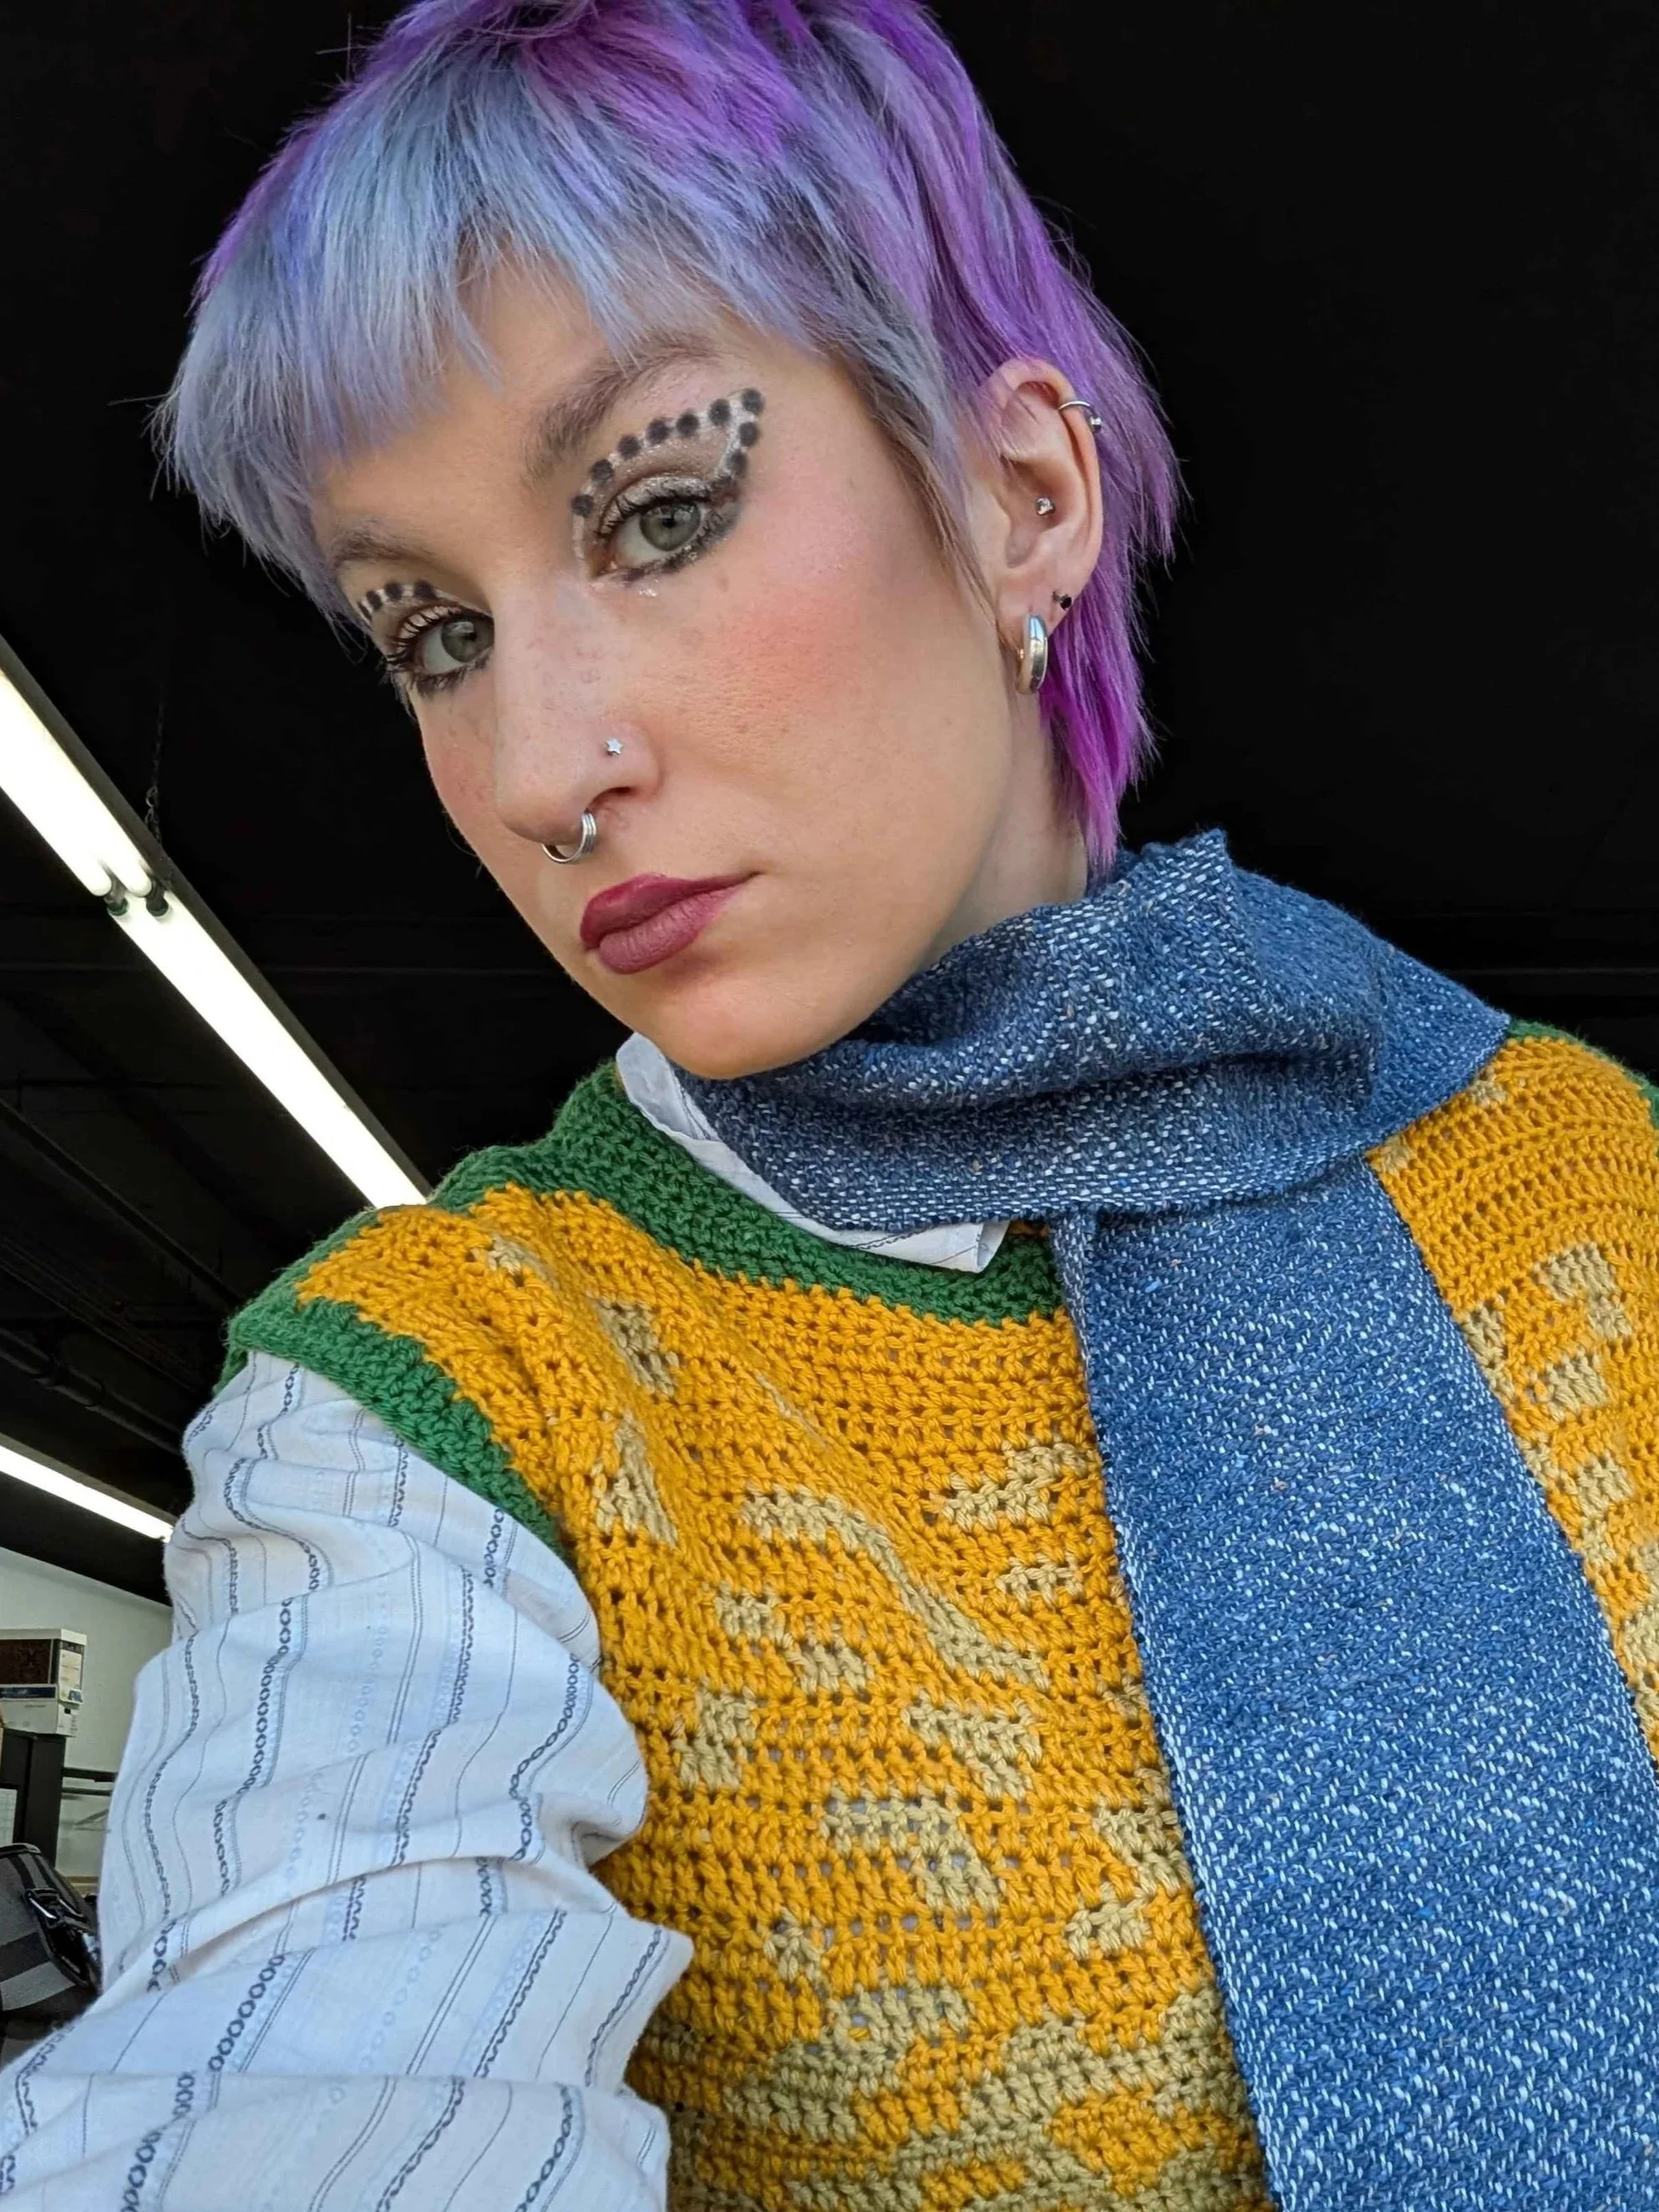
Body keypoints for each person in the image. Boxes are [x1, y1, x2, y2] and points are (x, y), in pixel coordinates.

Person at [5, 0, 1659, 2204]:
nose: (530, 772)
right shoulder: (430, 1420)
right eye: (432, 634)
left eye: (657, 510)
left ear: (1021, 499)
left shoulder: (1588, 1176)